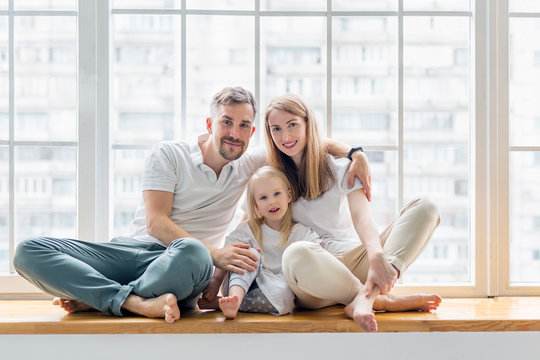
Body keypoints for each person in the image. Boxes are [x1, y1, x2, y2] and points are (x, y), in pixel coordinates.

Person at [13, 87, 371, 323]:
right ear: (209, 123)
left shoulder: (249, 163)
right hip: (135, 253)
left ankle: (101, 297)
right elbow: (156, 223)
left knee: (191, 254)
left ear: (252, 133)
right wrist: (217, 254)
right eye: (226, 122)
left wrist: (355, 153)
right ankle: (136, 303)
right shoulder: (170, 154)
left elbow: (303, 142)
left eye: (244, 125)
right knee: (28, 251)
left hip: (186, 268)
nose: (234, 132)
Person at [264, 94, 442, 332]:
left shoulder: (341, 167)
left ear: (307, 123)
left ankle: (364, 299)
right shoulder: (269, 174)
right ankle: (377, 299)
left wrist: (376, 256)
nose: (285, 136)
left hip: (354, 261)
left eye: (292, 125)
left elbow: (362, 217)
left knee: (426, 206)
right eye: (276, 129)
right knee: (295, 253)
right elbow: (253, 224)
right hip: (314, 277)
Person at [218, 166, 319, 319]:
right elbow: (227, 252)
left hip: (274, 289)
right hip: (240, 283)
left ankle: (230, 305)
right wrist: (215, 282)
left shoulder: (301, 233)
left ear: (289, 196)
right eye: (263, 198)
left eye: (277, 194)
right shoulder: (248, 229)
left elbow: (317, 255)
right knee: (249, 254)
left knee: (286, 295)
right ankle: (235, 299)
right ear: (256, 205)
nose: (272, 202)